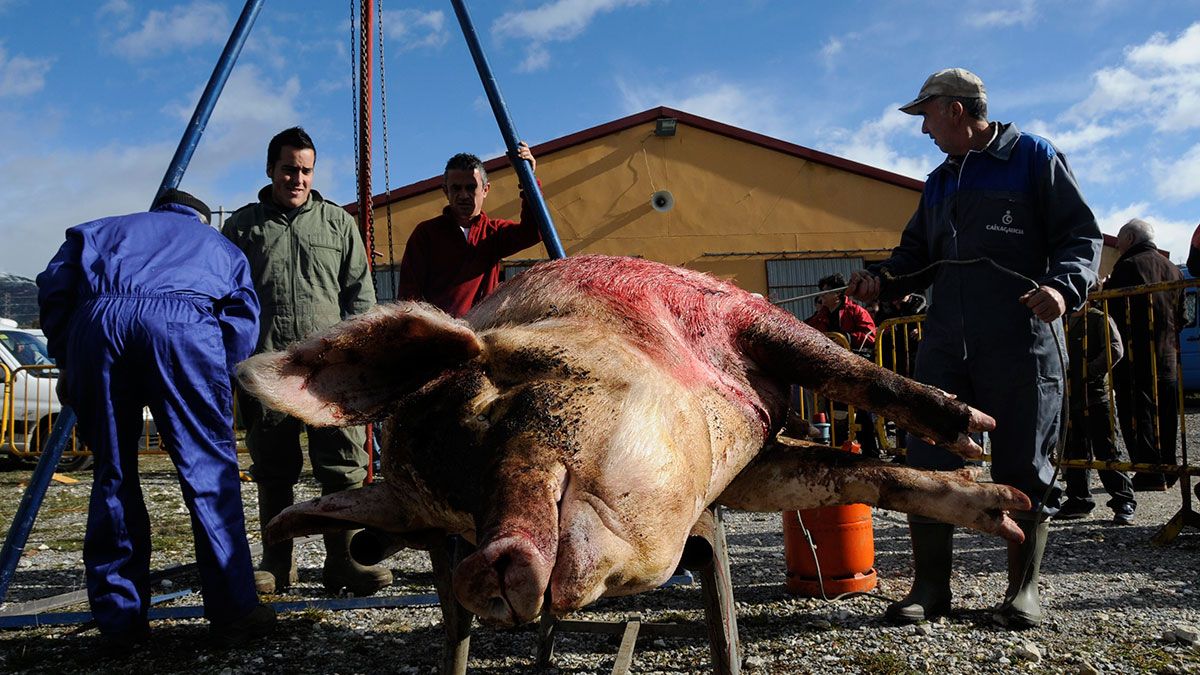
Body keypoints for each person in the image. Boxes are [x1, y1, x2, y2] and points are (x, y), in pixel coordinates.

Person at [846, 68, 1101, 630]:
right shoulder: (940, 181)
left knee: (1024, 464)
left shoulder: (1033, 157)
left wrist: (1063, 287)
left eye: (927, 116)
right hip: (946, 345)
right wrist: (881, 280)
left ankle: (1023, 591)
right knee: (928, 460)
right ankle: (930, 590)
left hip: (1023, 342)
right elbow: (917, 254)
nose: (924, 130)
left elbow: (1081, 237)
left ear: (956, 110)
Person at [36, 189, 274, 649]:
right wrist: (212, 382)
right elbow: (242, 318)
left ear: (156, 212)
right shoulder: (218, 246)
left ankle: (121, 623)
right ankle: (233, 613)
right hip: (182, 327)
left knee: (113, 474)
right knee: (209, 474)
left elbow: (55, 286)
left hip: (98, 323)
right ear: (200, 218)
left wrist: (70, 353)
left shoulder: (98, 230)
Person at [222, 127, 390, 597]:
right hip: (270, 371)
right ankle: (277, 562)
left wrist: (357, 359)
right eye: (289, 169)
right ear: (271, 170)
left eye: (306, 170)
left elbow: (360, 296)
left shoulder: (338, 225)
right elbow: (228, 299)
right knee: (274, 469)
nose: (297, 178)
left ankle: (344, 562)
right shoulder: (242, 227)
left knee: (342, 467)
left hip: (328, 375)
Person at [396, 142, 543, 317]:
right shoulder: (426, 234)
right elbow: (409, 294)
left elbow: (534, 232)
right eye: (456, 188)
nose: (464, 195)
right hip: (438, 335)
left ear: (485, 190)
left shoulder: (493, 234)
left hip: (482, 334)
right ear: (445, 191)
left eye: (471, 187)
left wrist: (528, 179)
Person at [1105, 218, 1184, 492]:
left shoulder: (1127, 266)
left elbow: (1111, 312)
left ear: (1129, 237)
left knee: (1138, 415)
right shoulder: (1173, 270)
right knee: (1167, 413)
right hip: (1167, 356)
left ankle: (1149, 472)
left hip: (1134, 356)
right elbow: (1182, 317)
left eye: (1119, 241)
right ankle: (1169, 469)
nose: (1118, 247)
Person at [1059, 299, 1136, 524]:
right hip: (1069, 397)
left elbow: (1115, 349)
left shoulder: (1097, 318)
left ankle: (1124, 500)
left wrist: (1089, 371)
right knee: (1075, 451)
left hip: (1095, 395)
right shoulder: (1061, 320)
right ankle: (1078, 500)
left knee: (1107, 449)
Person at [805, 273, 880, 457]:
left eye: (825, 292)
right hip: (831, 372)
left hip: (856, 370)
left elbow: (871, 335)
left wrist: (848, 338)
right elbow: (806, 330)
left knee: (862, 412)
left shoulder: (856, 311)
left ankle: (871, 451)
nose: (822, 296)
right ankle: (840, 451)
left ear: (837, 294)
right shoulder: (820, 316)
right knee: (836, 413)